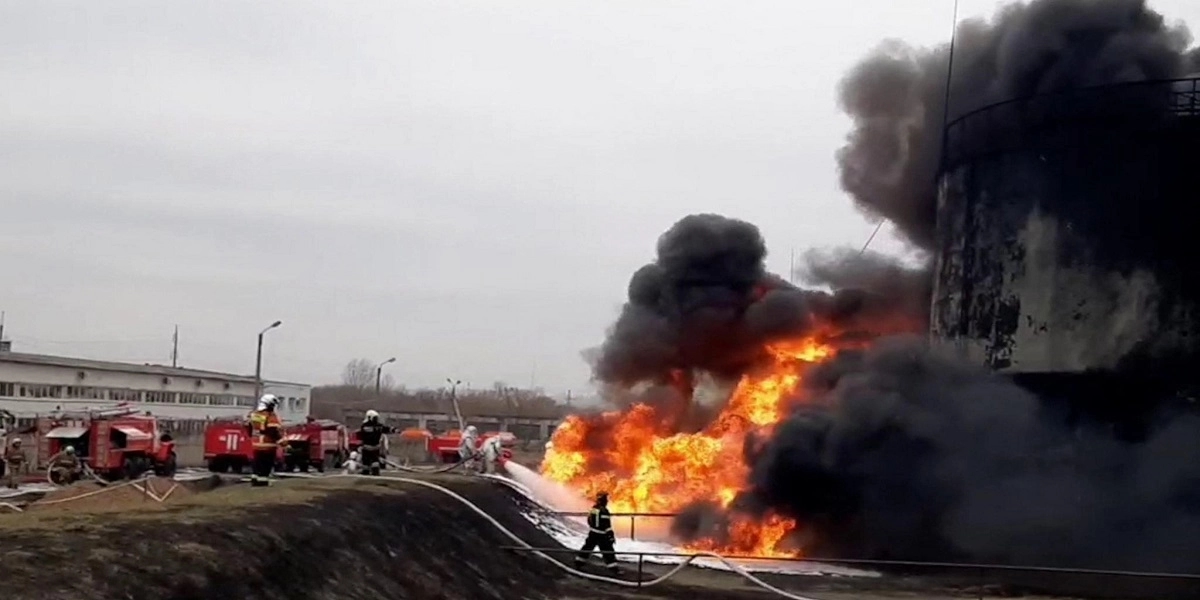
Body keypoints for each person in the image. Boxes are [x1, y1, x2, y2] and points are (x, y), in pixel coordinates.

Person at [574, 491, 620, 573]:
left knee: (587, 548)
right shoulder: (604, 511)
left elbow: (589, 520)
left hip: (592, 533)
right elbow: (606, 525)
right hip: (602, 535)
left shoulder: (593, 509)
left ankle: (578, 563)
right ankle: (614, 570)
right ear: (603, 500)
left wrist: (593, 528)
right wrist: (611, 536)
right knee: (608, 551)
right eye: (606, 499)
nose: (607, 501)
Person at [247, 394, 284, 487]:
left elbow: (248, 427)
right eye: (272, 405)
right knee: (266, 464)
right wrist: (281, 442)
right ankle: (263, 482)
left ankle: (255, 480)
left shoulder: (254, 414)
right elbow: (273, 431)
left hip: (256, 444)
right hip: (268, 444)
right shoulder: (270, 416)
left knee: (257, 463)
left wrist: (253, 436)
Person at [357, 410, 393, 476]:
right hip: (375, 448)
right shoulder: (379, 426)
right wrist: (394, 430)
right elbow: (387, 429)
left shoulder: (364, 426)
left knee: (366, 462)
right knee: (375, 461)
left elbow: (360, 435)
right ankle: (375, 473)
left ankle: (365, 473)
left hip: (366, 448)